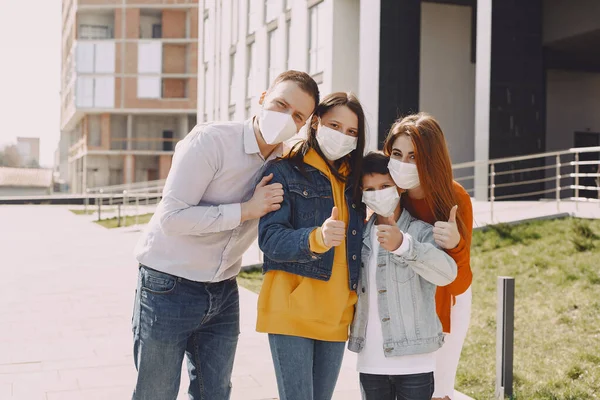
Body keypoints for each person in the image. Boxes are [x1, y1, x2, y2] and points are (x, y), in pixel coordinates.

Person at [131, 70, 320, 400]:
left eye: (298, 116)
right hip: (168, 284)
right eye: (280, 104)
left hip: (223, 290)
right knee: (156, 393)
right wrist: (246, 210)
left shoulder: (286, 162)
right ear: (262, 99)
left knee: (215, 393)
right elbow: (171, 218)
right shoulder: (211, 141)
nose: (286, 118)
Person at [256, 92, 367, 400]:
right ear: (315, 122)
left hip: (336, 314)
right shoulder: (283, 169)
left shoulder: (355, 182)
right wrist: (316, 237)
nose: (342, 136)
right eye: (335, 125)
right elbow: (270, 239)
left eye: (351, 132)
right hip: (292, 310)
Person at [348, 152, 458, 400]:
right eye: (370, 189)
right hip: (371, 361)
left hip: (415, 362)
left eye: (385, 186)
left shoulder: (421, 232)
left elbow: (447, 274)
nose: (379, 193)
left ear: (398, 187)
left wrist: (404, 246)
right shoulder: (358, 238)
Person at [383, 113, 474, 400]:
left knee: (437, 390)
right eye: (397, 154)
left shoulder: (455, 199)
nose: (404, 164)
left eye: (414, 156)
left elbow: (459, 284)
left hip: (445, 303)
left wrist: (456, 244)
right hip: (401, 302)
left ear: (431, 159)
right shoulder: (386, 194)